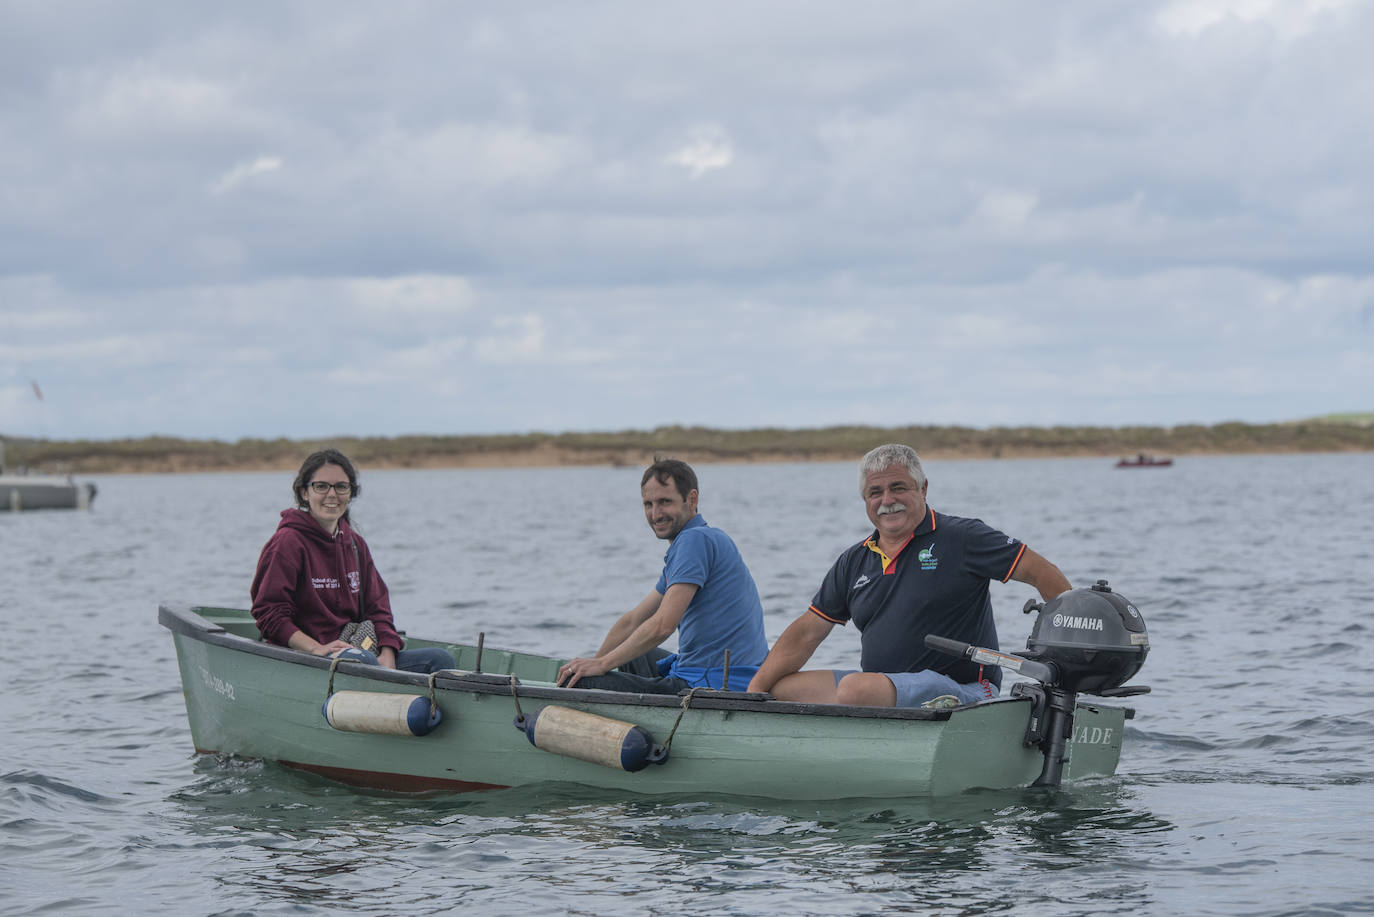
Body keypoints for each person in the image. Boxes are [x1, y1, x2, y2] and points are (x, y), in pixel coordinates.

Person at [746, 443, 1070, 707]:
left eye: (898, 487)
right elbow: (807, 633)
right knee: (783, 688)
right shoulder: (853, 561)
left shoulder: (963, 537)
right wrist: (751, 694)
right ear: (865, 500)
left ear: (923, 488)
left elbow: (1042, 572)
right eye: (876, 492)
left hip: (968, 689)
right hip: (881, 687)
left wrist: (1067, 655)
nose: (887, 501)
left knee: (854, 691)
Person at [557, 457, 769, 693]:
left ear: (692, 499)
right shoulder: (704, 538)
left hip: (714, 685)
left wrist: (601, 666)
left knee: (575, 683)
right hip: (731, 675)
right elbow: (633, 621)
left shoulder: (694, 541)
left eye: (665, 502)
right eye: (648, 504)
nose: (656, 514)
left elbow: (662, 626)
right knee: (629, 653)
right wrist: (594, 662)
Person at [250, 448, 455, 674]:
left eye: (341, 487)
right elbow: (269, 613)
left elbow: (378, 609)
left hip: (358, 652)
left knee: (439, 659)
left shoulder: (355, 545)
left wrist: (388, 652)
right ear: (304, 493)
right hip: (306, 660)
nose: (332, 495)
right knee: (362, 661)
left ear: (350, 493)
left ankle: (412, 707)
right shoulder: (288, 542)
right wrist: (316, 648)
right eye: (321, 486)